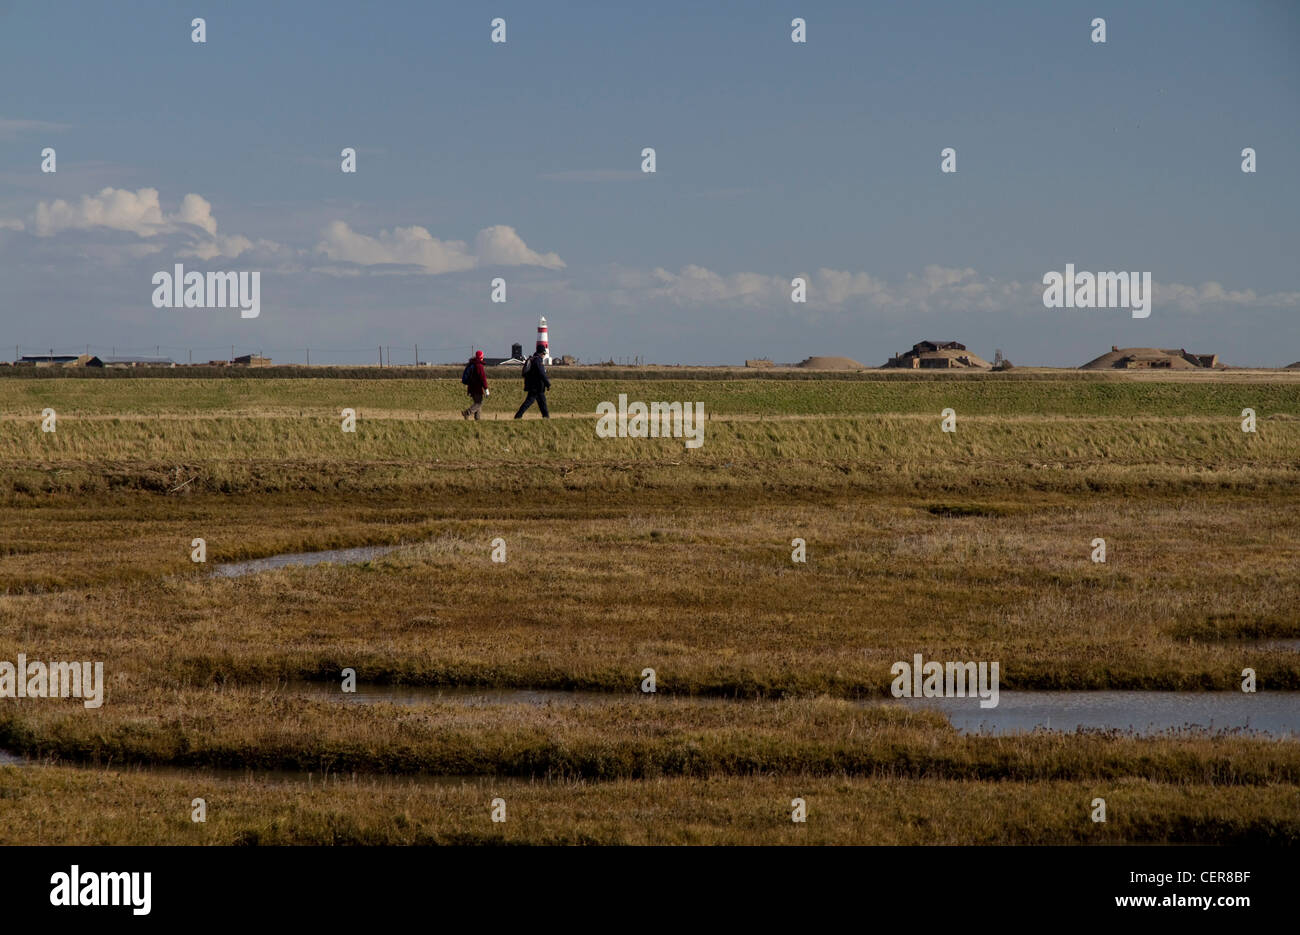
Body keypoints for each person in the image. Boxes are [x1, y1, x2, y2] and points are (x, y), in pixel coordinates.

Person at [514, 345, 551, 419]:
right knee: (532, 402)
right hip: (537, 387)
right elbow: (542, 373)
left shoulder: (533, 359)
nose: (544, 355)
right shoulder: (538, 360)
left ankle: (546, 417)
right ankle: (518, 416)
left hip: (534, 386)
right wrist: (548, 383)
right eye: (544, 353)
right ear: (541, 353)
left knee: (540, 403)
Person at [461, 350, 489, 420]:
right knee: (479, 403)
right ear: (481, 357)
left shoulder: (472, 364)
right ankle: (467, 413)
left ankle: (477, 419)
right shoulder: (479, 366)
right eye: (482, 356)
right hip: (477, 388)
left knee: (478, 403)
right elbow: (483, 378)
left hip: (471, 387)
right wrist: (486, 389)